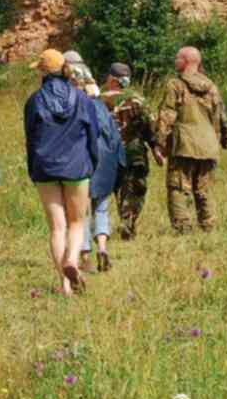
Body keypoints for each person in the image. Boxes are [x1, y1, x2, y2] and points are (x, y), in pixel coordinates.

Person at [23, 49, 101, 295]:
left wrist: (33, 169)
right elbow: (93, 135)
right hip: (76, 166)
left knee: (57, 227)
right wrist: (92, 163)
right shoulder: (82, 99)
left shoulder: (34, 101)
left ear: (43, 71)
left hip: (45, 167)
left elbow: (30, 138)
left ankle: (65, 285)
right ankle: (72, 260)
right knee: (77, 222)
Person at [153, 46, 227, 233]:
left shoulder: (175, 85)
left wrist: (160, 143)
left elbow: (167, 115)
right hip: (208, 146)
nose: (175, 60)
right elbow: (220, 118)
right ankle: (208, 226)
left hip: (183, 144)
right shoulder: (212, 87)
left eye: (178, 57)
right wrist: (221, 141)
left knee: (178, 187)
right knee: (203, 189)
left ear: (186, 61)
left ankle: (183, 229)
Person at [100, 63, 156, 240]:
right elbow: (150, 127)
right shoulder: (138, 100)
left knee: (104, 192)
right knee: (133, 190)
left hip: (106, 155)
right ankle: (127, 222)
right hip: (133, 153)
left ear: (111, 79)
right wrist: (156, 148)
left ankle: (100, 229)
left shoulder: (99, 99)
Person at [82, 80, 122, 272]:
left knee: (82, 213)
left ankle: (85, 257)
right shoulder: (106, 113)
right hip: (106, 166)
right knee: (102, 210)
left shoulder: (80, 110)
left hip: (85, 165)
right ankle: (103, 248)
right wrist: (119, 168)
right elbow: (117, 142)